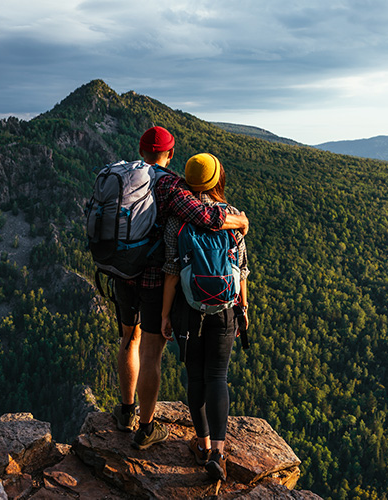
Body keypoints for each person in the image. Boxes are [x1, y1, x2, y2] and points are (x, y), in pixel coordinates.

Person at [112, 127, 249, 451]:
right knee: (151, 354)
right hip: (152, 279)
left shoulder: (124, 177)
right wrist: (239, 221)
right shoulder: (171, 184)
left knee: (128, 339)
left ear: (141, 150)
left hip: (121, 272)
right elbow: (203, 216)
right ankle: (145, 429)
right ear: (170, 154)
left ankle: (126, 411)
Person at [160, 153, 249, 481]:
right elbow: (241, 269)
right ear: (216, 181)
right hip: (225, 310)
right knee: (218, 377)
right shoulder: (232, 216)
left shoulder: (176, 219)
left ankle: (202, 445)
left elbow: (171, 271)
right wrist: (243, 308)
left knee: (195, 377)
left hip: (189, 309)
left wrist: (166, 314)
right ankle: (219, 455)